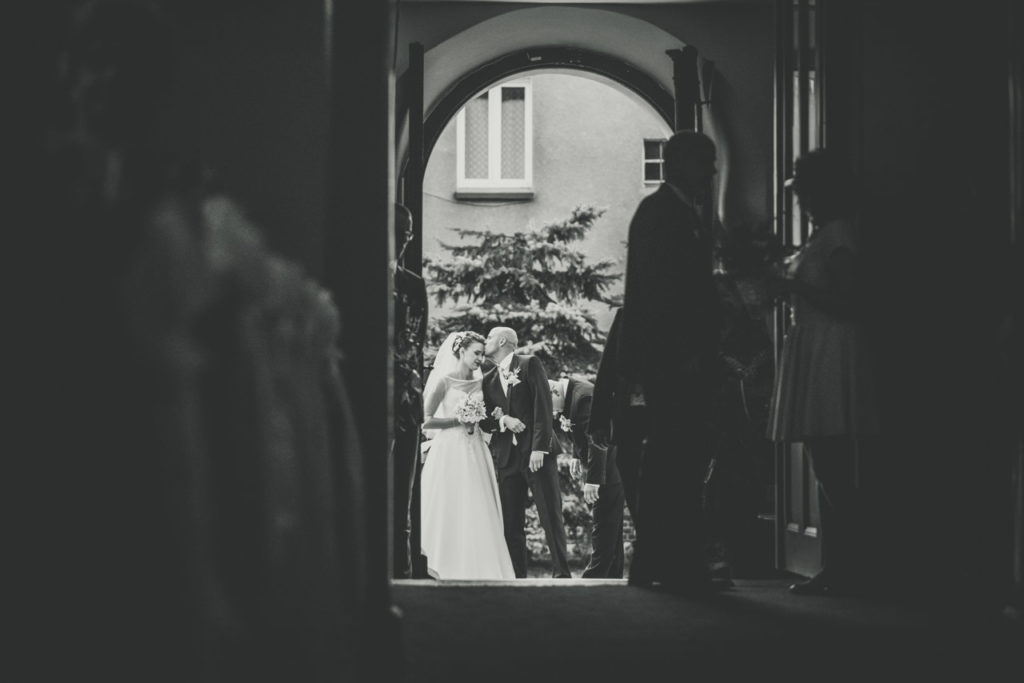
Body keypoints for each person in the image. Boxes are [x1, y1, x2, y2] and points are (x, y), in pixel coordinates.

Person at [767, 148, 881, 595]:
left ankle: (850, 562)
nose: (799, 200)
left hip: (830, 349)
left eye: (804, 191)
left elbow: (851, 302)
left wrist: (793, 285)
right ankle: (842, 562)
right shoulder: (823, 235)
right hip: (817, 345)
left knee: (830, 456)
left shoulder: (837, 235)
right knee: (826, 456)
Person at [619, 130, 723, 594]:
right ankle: (672, 562)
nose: (713, 172)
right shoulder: (663, 214)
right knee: (674, 459)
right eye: (707, 163)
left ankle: (661, 560)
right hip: (676, 358)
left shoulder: (675, 212)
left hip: (677, 356)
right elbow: (658, 292)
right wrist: (684, 355)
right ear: (682, 164)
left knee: (675, 458)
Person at [419, 332, 515, 580]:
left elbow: (491, 414)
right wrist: (457, 420)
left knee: (477, 504)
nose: (480, 359)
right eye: (476, 353)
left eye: (482, 354)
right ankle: (442, 564)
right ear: (461, 352)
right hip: (448, 451)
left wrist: (488, 418)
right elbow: (425, 421)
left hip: (476, 450)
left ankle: (481, 566)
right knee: (449, 504)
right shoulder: (444, 381)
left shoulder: (482, 382)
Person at [480, 327, 570, 578]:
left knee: (550, 514)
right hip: (507, 459)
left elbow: (543, 405)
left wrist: (539, 447)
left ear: (502, 341)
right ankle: (517, 578)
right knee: (511, 523)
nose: (485, 341)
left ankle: (562, 575)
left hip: (536, 454)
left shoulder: (529, 364)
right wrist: (504, 420)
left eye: (489, 338)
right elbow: (485, 420)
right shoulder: (488, 379)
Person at [552, 376, 626, 578]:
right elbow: (582, 431)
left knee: (603, 524)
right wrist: (576, 455)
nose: (553, 413)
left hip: (610, 467)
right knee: (612, 526)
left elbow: (596, 439)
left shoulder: (583, 397)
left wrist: (593, 481)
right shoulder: (572, 393)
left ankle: (592, 578)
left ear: (554, 392)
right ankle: (612, 578)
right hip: (612, 465)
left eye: (550, 407)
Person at [390, 203, 428, 578]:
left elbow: (418, 342)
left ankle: (402, 576)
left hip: (408, 404)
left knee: (402, 498)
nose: (404, 240)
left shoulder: (413, 285)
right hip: (374, 399)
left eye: (408, 234)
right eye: (399, 233)